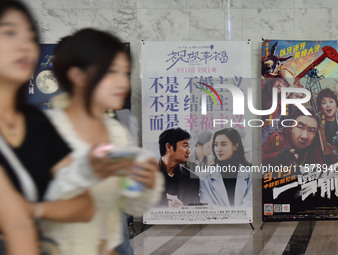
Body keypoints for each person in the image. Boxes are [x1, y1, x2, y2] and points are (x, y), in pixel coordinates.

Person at [0, 1, 129, 253]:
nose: (26, 45)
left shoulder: (35, 124)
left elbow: (84, 206)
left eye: (31, 35)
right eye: (10, 32)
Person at [42, 28, 163, 255]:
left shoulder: (116, 132)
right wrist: (87, 172)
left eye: (125, 72)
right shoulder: (47, 129)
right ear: (77, 76)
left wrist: (144, 185)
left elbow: (126, 202)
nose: (122, 82)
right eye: (111, 72)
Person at [262, 106, 338, 166]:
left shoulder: (320, 145)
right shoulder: (276, 139)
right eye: (300, 127)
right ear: (291, 127)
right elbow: (258, 162)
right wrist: (277, 157)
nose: (304, 136)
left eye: (311, 130)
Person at [199, 128, 252, 207]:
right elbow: (208, 205)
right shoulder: (204, 176)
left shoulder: (251, 173)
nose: (218, 149)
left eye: (223, 144)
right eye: (216, 145)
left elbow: (250, 203)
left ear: (235, 146)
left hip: (244, 218)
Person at [158, 127, 200, 207]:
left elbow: (195, 208)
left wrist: (183, 209)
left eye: (189, 146)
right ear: (169, 147)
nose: (188, 151)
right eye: (185, 146)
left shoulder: (193, 179)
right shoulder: (147, 174)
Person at [262, 68, 295, 144]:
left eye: (284, 84)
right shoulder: (261, 90)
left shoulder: (280, 103)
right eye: (279, 81)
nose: (280, 85)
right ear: (274, 79)